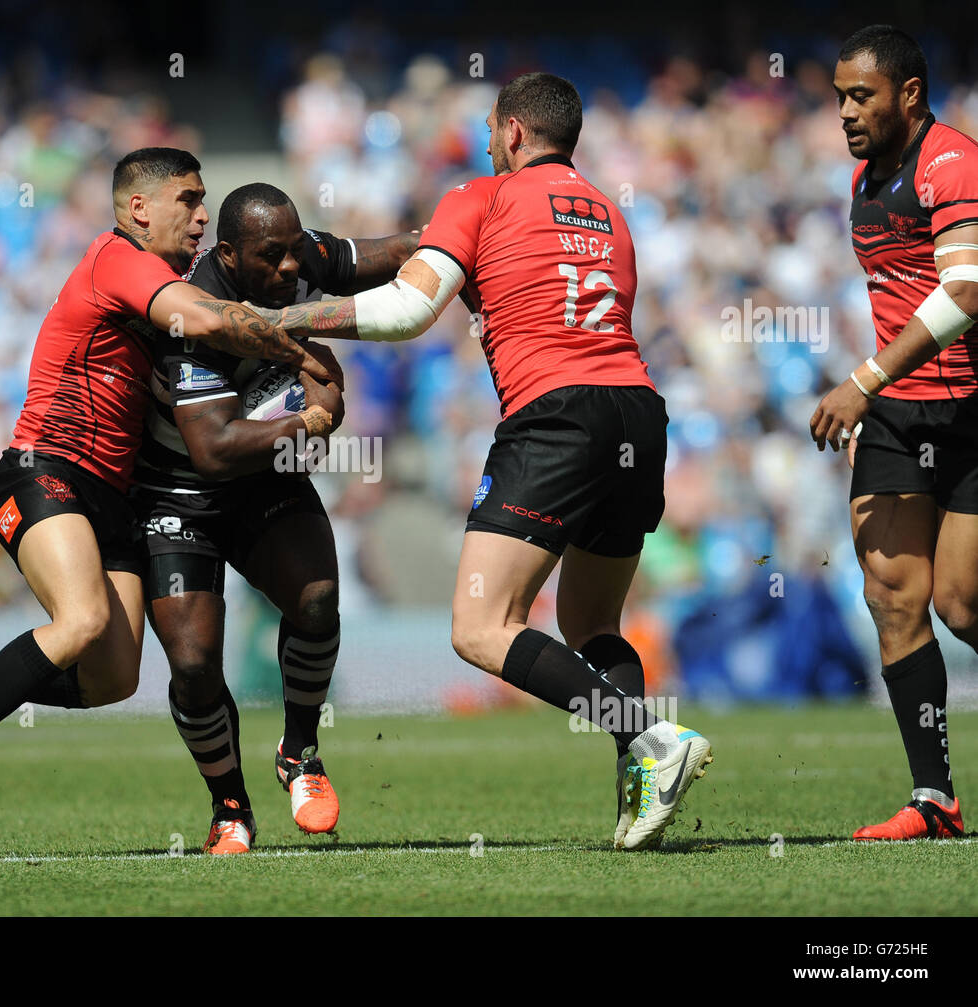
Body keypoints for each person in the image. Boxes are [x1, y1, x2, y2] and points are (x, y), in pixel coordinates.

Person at [249, 74, 711, 851]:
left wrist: (286, 318)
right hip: (636, 411)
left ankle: (652, 740)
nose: (489, 144)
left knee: (478, 626)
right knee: (593, 623)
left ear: (515, 134)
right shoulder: (608, 213)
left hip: (555, 415)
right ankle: (643, 790)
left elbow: (407, 309)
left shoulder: (483, 194)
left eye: (493, 132)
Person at [0, 148, 343, 849]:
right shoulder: (120, 259)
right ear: (140, 209)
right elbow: (211, 318)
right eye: (189, 200)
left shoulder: (161, 271)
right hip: (45, 471)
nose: (202, 215)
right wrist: (312, 342)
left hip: (113, 495)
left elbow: (323, 268)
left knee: (111, 676)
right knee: (79, 623)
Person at [134, 182, 417, 853]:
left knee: (318, 598)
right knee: (196, 660)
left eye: (295, 252)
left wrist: (449, 241)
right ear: (229, 254)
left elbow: (373, 257)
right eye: (272, 256)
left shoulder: (296, 256)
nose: (291, 269)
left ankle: (300, 751)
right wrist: (309, 418)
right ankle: (229, 805)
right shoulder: (193, 315)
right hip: (180, 490)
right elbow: (212, 448)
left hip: (265, 478)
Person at [809, 25, 978, 840]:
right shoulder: (866, 177)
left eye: (860, 95)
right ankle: (934, 799)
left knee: (962, 602)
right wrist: (879, 392)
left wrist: (862, 379)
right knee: (892, 597)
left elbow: (966, 292)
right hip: (897, 415)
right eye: (839, 95)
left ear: (908, 94)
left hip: (971, 411)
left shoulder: (952, 161)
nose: (844, 110)